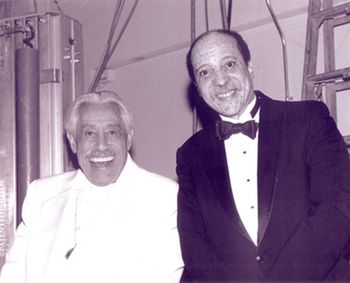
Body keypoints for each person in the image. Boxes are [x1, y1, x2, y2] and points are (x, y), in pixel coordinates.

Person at [176, 28, 350, 282]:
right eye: (205, 72)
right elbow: (195, 247)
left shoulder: (308, 119)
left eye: (229, 64)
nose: (221, 81)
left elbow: (338, 207)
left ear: (249, 66)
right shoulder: (190, 155)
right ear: (197, 87)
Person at [0, 90, 183, 283]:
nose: (101, 145)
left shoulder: (164, 198)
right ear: (73, 141)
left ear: (128, 138)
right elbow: (12, 277)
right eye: (89, 133)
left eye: (112, 132)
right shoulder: (41, 195)